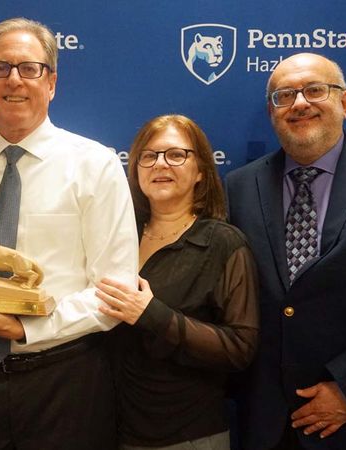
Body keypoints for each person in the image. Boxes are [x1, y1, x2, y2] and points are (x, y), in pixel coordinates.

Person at [0, 17, 139, 450]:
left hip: (64, 382)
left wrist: (24, 329)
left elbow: (114, 292)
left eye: (30, 68)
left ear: (52, 82)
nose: (14, 80)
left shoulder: (94, 166)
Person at [226, 53, 346, 449]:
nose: (299, 103)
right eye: (284, 96)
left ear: (344, 102)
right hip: (266, 425)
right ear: (272, 111)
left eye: (315, 90)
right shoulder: (238, 187)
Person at [94, 114, 259, 450]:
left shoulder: (223, 243)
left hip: (186, 433)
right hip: (106, 427)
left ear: (200, 171)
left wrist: (152, 314)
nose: (160, 165)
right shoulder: (114, 235)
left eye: (176, 155)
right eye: (149, 156)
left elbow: (241, 348)